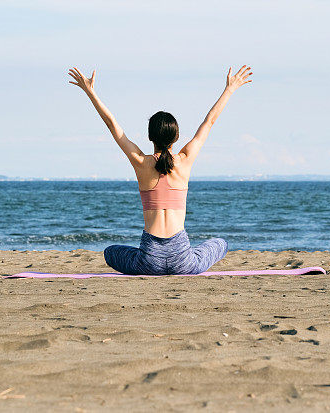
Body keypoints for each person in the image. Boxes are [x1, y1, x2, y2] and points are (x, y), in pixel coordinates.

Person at [67, 65, 253, 275]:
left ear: (150, 137)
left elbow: (112, 125)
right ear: (176, 138)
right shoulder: (184, 160)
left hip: (148, 262)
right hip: (183, 262)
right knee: (220, 243)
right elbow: (209, 122)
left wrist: (90, 92)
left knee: (110, 252)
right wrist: (230, 88)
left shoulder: (140, 162)